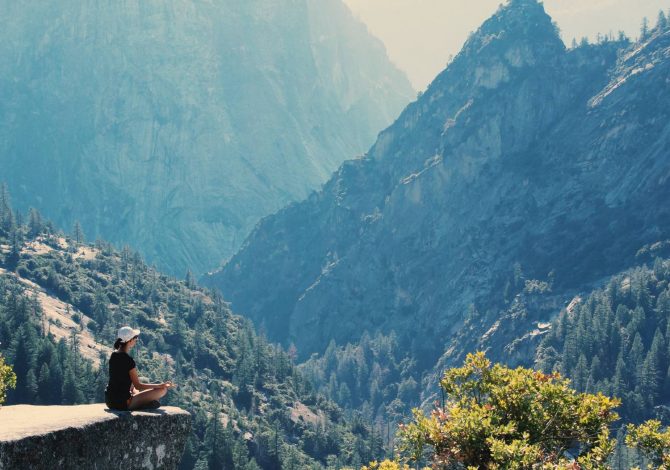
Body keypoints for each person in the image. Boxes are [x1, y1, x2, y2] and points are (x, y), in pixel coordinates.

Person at [105, 326, 174, 410]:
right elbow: (138, 386)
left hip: (109, 400)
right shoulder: (128, 360)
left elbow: (122, 380)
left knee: (132, 385)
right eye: (135, 338)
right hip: (122, 404)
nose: (136, 340)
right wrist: (161, 385)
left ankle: (143, 401)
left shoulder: (113, 355)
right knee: (162, 390)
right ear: (130, 340)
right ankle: (142, 404)